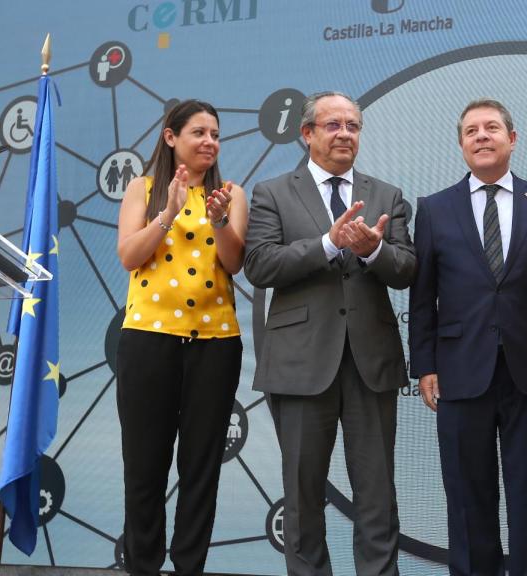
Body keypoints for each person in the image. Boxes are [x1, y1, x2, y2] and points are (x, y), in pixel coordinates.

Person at [244, 91, 415, 576]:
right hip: (299, 364)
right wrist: (327, 243)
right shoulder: (273, 192)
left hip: (370, 364)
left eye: (352, 126)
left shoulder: (387, 195)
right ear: (307, 134)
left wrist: (373, 251)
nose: (345, 134)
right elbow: (259, 264)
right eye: (333, 125)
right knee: (302, 496)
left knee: (377, 495)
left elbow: (406, 269)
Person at [408, 99, 527, 575]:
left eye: (491, 128)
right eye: (471, 130)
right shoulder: (434, 208)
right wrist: (425, 366)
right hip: (458, 370)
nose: (481, 136)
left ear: (511, 139)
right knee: (466, 493)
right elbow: (422, 295)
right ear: (461, 145)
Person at [115, 99, 247, 576]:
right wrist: (168, 213)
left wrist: (219, 220)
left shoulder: (231, 194)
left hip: (215, 344)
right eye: (199, 133)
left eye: (215, 135)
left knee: (201, 469)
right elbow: (129, 256)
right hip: (149, 341)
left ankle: (189, 566)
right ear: (171, 137)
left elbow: (234, 263)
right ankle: (143, 566)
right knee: (145, 467)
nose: (210, 142)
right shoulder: (143, 188)